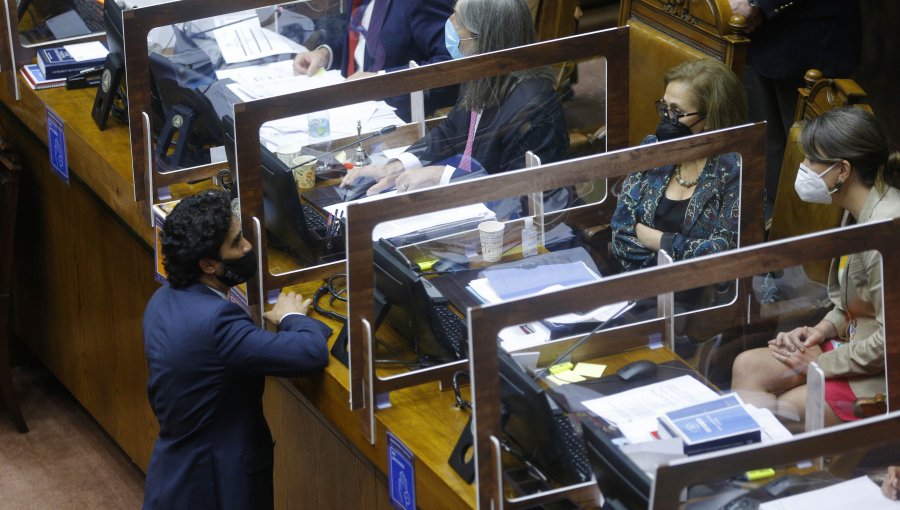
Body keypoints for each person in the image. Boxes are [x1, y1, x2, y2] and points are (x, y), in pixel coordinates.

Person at [142, 190, 331, 509]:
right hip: (220, 486)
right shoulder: (217, 322)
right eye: (236, 242)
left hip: (173, 475)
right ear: (208, 264)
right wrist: (292, 316)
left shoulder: (161, 300)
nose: (248, 247)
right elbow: (310, 354)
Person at [732, 107, 900, 429]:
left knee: (789, 407)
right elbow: (849, 303)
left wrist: (821, 362)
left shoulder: (886, 232)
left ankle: (799, 473)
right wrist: (817, 332)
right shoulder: (855, 211)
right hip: (850, 346)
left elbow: (891, 337)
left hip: (882, 369)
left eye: (811, 160)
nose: (804, 168)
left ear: (843, 170)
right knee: (747, 366)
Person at [339, 0, 568, 202]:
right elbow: (451, 131)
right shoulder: (480, 73)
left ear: (484, 38)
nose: (449, 23)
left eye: (457, 20)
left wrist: (442, 175)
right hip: (469, 206)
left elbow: (524, 195)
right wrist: (394, 166)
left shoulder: (533, 105)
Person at [610, 58, 747, 272]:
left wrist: (660, 241)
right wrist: (665, 268)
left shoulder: (735, 170)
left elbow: (723, 251)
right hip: (639, 283)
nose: (666, 118)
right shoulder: (652, 148)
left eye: (676, 112)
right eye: (664, 107)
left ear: (710, 118)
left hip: (704, 295)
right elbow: (620, 233)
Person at [729, 0, 861, 213]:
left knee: (812, 165)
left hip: (809, 39)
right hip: (751, 39)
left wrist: (755, 3)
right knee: (761, 154)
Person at [293, 0, 457, 122]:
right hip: (351, 104)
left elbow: (451, 63)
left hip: (395, 116)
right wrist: (325, 54)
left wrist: (379, 80)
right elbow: (360, 38)